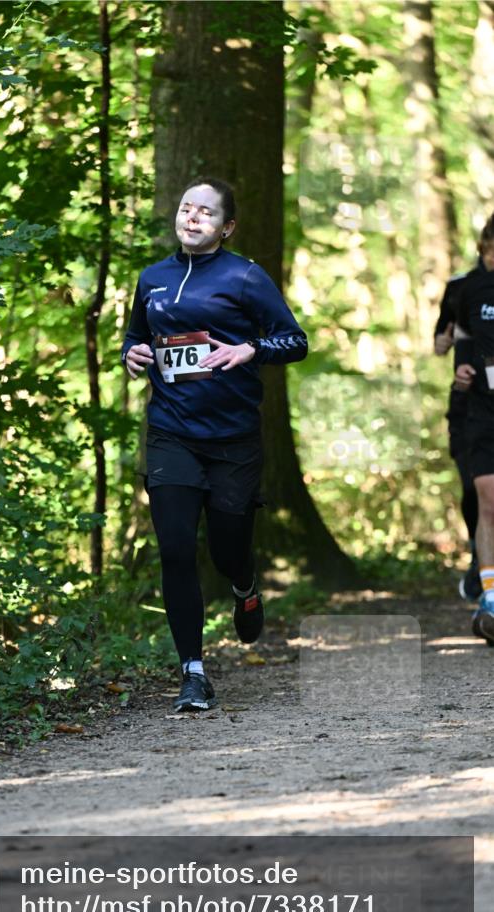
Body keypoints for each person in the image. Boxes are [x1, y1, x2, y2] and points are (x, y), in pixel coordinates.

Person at [121, 177, 308, 709]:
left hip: (233, 440)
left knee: (227, 549)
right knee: (176, 549)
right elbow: (137, 337)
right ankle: (193, 672)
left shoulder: (246, 277)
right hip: (171, 434)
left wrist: (250, 350)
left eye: (206, 212)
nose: (193, 217)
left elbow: (295, 341)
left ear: (226, 227)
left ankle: (245, 585)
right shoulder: (152, 278)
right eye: (186, 209)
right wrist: (132, 355)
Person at [453, 213, 494, 646]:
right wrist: (462, 365)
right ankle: (491, 598)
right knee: (487, 499)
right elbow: (461, 331)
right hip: (483, 408)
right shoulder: (472, 288)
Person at [434, 272, 481, 601]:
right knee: (472, 488)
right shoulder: (460, 286)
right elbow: (439, 341)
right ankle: (480, 559)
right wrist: (447, 339)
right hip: (467, 403)